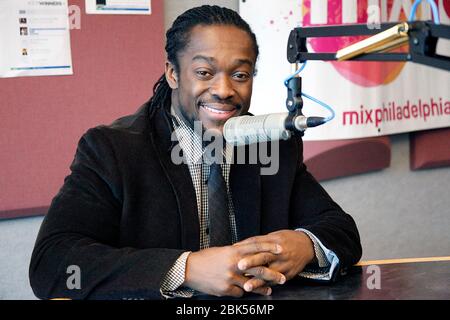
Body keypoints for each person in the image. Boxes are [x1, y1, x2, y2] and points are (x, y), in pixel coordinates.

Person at [29, 5, 362, 300]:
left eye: (240, 75)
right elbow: (54, 262)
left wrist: (303, 246)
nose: (224, 90)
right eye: (204, 73)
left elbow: (342, 231)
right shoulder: (112, 149)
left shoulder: (273, 143)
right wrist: (185, 269)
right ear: (173, 74)